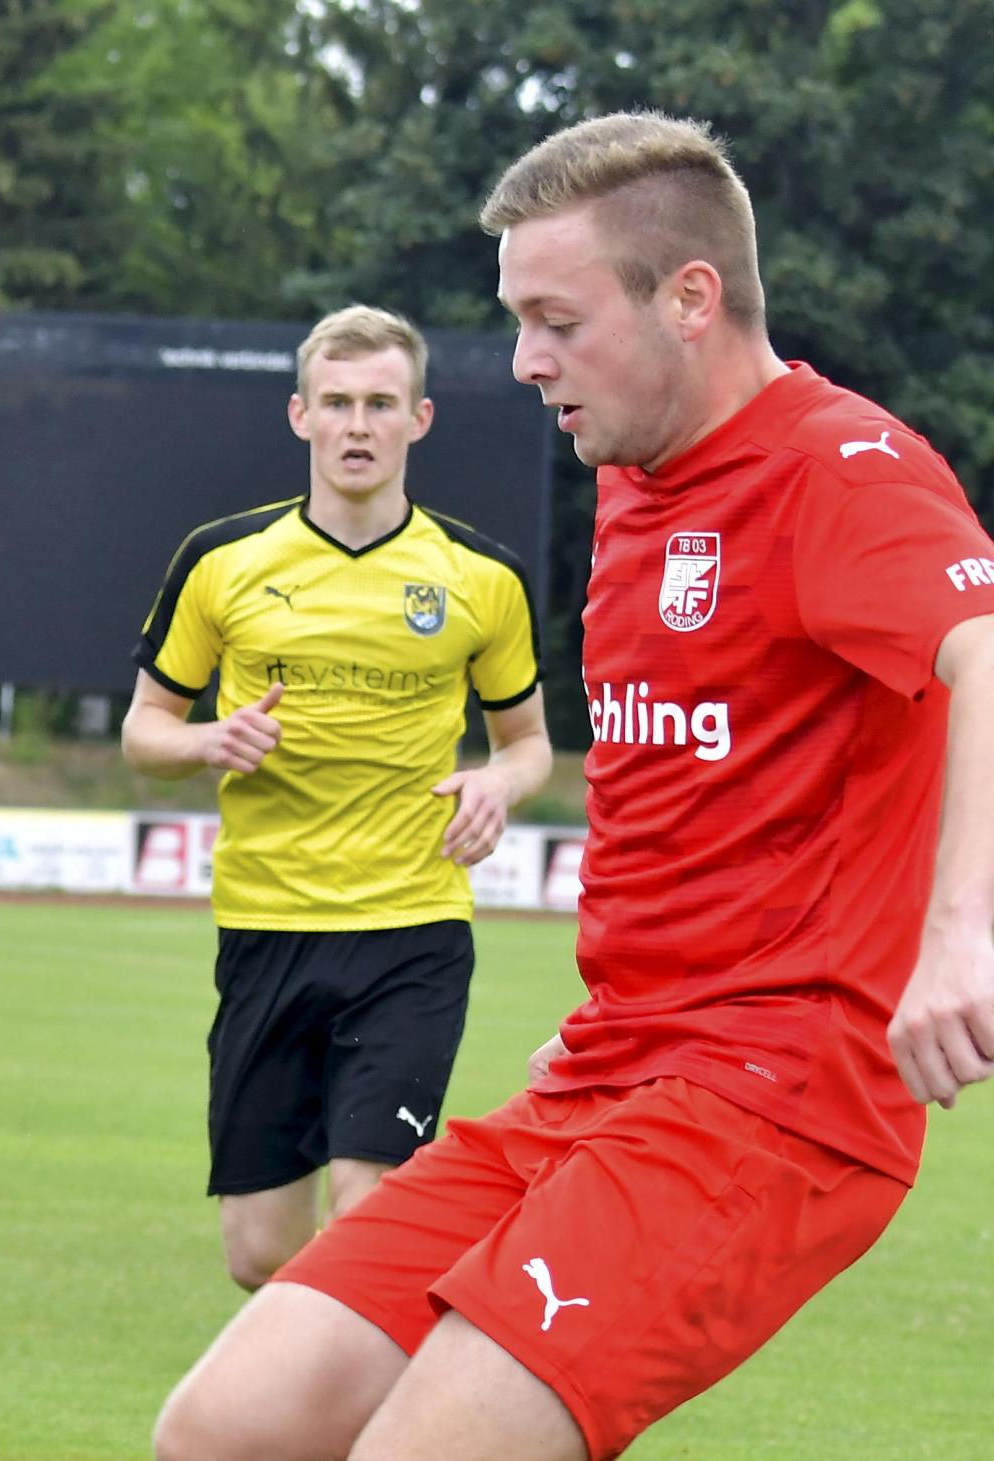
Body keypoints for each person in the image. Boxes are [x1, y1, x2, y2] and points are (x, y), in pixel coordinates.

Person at [152, 111, 994, 1461]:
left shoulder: (842, 468)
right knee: (228, 1430)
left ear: (689, 299)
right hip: (614, 1070)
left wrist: (964, 935)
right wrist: (624, 1002)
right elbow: (694, 783)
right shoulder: (636, 476)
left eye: (555, 319)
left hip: (778, 1095)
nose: (526, 361)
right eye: (516, 320)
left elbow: (984, 648)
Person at [122, 303, 554, 1292]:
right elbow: (144, 734)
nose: (359, 425)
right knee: (260, 1253)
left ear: (420, 420)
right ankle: (364, 1359)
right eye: (339, 403)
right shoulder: (222, 561)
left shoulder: (481, 578)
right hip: (267, 924)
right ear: (300, 417)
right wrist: (206, 741)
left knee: (369, 1208)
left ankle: (382, 1419)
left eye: (381, 404)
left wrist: (497, 781)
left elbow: (528, 746)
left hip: (414, 926)